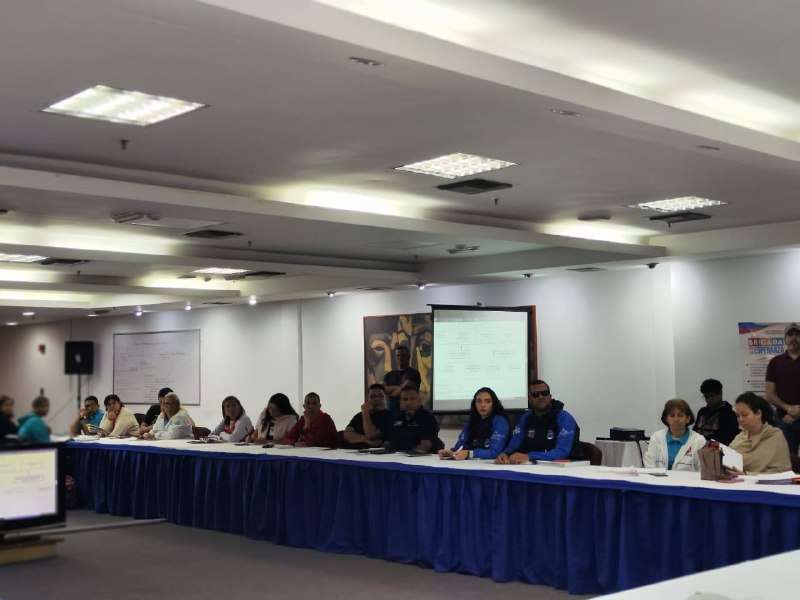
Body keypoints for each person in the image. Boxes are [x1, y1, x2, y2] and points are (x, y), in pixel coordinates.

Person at [496, 380, 581, 465]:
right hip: (531, 465)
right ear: (529, 399)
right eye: (535, 394)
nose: (541, 397)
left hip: (561, 467)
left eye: (544, 393)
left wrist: (529, 456)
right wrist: (505, 454)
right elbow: (514, 443)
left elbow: (562, 452)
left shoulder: (564, 418)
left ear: (550, 397)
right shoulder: (525, 418)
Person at [439, 387, 509, 460]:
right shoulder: (471, 421)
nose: (482, 405)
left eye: (487, 401)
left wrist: (470, 454)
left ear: (494, 404)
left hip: (490, 464)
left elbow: (495, 452)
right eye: (479, 401)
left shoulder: (500, 422)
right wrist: (451, 452)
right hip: (471, 463)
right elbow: (460, 445)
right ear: (474, 404)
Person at [730, 392, 792, 474]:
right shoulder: (740, 437)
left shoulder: (775, 436)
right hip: (737, 481)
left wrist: (747, 474)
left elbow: (781, 472)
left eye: (745, 415)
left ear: (758, 413)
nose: (740, 419)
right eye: (738, 416)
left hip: (766, 482)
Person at [765, 323, 800, 454]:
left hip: (789, 417)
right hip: (784, 420)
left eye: (797, 334)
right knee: (787, 460)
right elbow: (769, 394)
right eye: (790, 335)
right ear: (785, 339)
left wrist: (797, 412)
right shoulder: (775, 362)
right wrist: (789, 409)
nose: (793, 338)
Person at [644, 399, 707, 471]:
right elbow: (649, 465)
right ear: (666, 419)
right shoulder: (656, 437)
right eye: (672, 416)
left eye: (680, 415)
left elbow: (702, 471)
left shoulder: (699, 441)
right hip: (658, 478)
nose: (676, 419)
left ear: (688, 419)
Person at [388, 385, 443, 453]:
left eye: (412, 399)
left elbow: (425, 446)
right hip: (396, 455)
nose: (408, 402)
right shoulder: (397, 417)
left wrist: (404, 454)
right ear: (400, 402)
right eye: (405, 399)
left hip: (420, 457)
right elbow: (391, 442)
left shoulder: (427, 418)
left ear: (419, 400)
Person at [342, 384, 393, 449]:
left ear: (386, 398)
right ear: (367, 398)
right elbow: (347, 434)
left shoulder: (389, 415)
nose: (376, 399)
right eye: (372, 396)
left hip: (377, 452)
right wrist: (366, 440)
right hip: (355, 450)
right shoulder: (359, 415)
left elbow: (371, 435)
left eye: (380, 396)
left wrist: (365, 413)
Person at [693, 379, 739, 445]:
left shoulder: (729, 414)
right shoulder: (702, 412)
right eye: (706, 397)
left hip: (715, 449)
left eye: (712, 396)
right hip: (697, 446)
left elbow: (725, 440)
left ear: (720, 393)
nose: (709, 400)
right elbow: (695, 432)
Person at [383, 346, 422, 417]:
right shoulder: (389, 375)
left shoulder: (414, 373)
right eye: (398, 355)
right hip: (392, 413)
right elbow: (384, 390)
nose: (400, 357)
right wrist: (398, 387)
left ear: (408, 357)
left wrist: (392, 390)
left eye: (403, 355)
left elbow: (398, 392)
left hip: (410, 413)